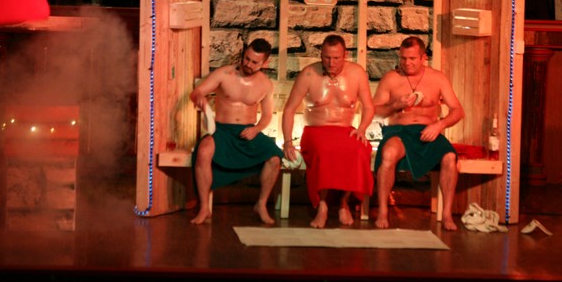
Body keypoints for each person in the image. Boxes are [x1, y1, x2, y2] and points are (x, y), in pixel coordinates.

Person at [281, 34, 375, 228]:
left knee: (359, 150)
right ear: (321, 55)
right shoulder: (308, 74)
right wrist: (288, 141)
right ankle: (322, 206)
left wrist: (362, 129)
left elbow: (368, 106)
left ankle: (343, 203)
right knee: (324, 151)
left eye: (336, 58)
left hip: (346, 130)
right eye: (327, 57)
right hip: (315, 131)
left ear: (345, 55)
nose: (331, 63)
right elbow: (289, 109)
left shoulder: (357, 73)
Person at [372, 36, 464, 230]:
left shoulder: (438, 78)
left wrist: (439, 125)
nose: (407, 63)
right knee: (388, 153)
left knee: (449, 157)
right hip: (399, 131)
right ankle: (382, 211)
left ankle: (447, 214)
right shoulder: (391, 78)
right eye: (403, 58)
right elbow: (375, 111)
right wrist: (396, 105)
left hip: (428, 130)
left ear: (423, 58)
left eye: (412, 58)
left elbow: (458, 110)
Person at [189, 39, 282, 225]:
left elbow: (266, 116)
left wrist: (256, 129)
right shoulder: (224, 74)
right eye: (246, 58)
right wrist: (201, 99)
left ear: (265, 63)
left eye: (254, 62)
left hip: (248, 132)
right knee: (203, 151)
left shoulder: (265, 84)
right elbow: (196, 92)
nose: (248, 64)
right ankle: (204, 208)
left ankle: (261, 204)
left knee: (275, 158)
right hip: (221, 130)